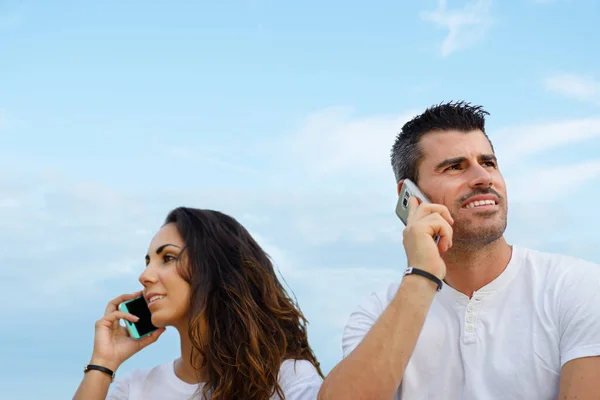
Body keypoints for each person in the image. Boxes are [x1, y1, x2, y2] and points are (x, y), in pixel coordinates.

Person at [318, 101, 600, 399]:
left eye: (489, 163)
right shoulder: (376, 312)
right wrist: (423, 275)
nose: (483, 178)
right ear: (409, 195)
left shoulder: (579, 286)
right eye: (455, 167)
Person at [73, 207, 323, 400]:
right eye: (147, 261)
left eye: (167, 258)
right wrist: (104, 362)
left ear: (214, 268)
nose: (145, 275)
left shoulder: (288, 380)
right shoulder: (135, 388)